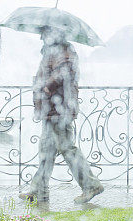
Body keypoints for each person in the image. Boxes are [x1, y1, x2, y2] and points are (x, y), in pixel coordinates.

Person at [20, 28, 104, 204]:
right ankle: (38, 190)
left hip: (60, 109)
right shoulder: (52, 51)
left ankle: (90, 185)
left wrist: (46, 86)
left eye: (44, 32)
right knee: (46, 149)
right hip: (52, 109)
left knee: (66, 148)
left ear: (53, 33)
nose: (41, 36)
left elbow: (63, 72)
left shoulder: (64, 51)